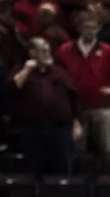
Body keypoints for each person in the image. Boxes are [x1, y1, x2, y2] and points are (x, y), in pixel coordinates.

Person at [57, 11, 110, 158]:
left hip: (102, 107)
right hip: (75, 109)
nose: (90, 31)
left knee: (104, 150)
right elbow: (57, 76)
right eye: (86, 27)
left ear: (98, 29)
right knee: (78, 150)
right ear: (79, 28)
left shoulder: (108, 51)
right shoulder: (64, 51)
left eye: (93, 28)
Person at [10, 37, 77, 180]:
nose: (47, 52)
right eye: (42, 50)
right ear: (32, 53)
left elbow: (73, 96)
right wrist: (27, 69)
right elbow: (12, 89)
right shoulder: (21, 70)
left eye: (47, 49)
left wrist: (77, 122)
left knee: (62, 166)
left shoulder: (59, 72)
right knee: (34, 168)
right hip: (33, 127)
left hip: (59, 128)